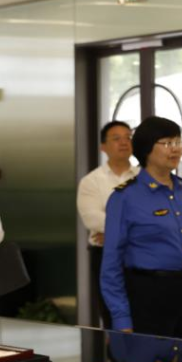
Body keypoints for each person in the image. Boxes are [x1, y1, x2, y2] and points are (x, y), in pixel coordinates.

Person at [100, 116, 182, 338]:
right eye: (167, 143)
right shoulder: (125, 197)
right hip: (149, 293)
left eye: (179, 142)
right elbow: (111, 263)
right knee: (151, 357)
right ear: (146, 149)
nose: (176, 149)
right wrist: (121, 316)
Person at [77, 120, 138, 328]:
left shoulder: (142, 177)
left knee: (142, 314)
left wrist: (114, 233)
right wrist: (137, 229)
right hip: (105, 255)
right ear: (103, 146)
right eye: (116, 138)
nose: (124, 142)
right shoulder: (91, 181)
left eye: (128, 137)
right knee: (113, 316)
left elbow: (151, 217)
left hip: (141, 253)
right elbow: (92, 218)